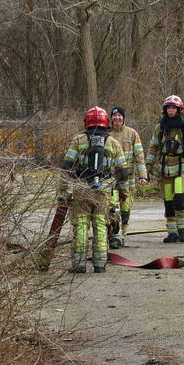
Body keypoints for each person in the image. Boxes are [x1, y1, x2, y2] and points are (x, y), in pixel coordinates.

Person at [58, 107, 128, 273]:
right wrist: (123, 195)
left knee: (81, 226)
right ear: (106, 122)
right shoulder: (113, 142)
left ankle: (79, 265)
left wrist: (63, 193)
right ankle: (99, 264)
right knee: (101, 226)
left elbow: (66, 167)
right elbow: (123, 172)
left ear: (86, 121)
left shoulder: (78, 141)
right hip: (103, 192)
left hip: (81, 190)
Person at [146, 95, 184, 243]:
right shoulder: (160, 127)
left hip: (180, 170)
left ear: (178, 110)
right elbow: (153, 147)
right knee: (168, 203)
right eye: (168, 108)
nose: (170, 111)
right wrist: (148, 165)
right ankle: (172, 233)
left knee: (179, 199)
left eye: (173, 108)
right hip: (165, 171)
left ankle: (182, 230)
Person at [106, 106, 147, 249]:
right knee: (111, 207)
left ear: (123, 118)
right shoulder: (107, 134)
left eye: (119, 115)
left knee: (125, 207)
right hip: (111, 178)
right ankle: (113, 235)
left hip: (128, 178)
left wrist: (143, 176)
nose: (117, 118)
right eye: (114, 115)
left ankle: (122, 235)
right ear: (111, 118)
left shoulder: (132, 133)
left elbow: (140, 156)